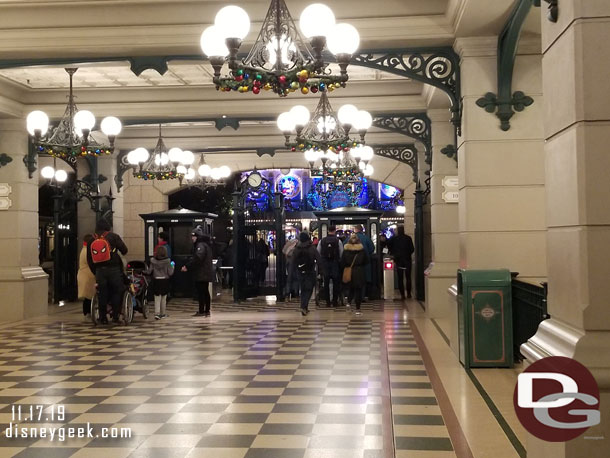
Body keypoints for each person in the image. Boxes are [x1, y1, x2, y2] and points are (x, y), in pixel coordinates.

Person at [87, 219, 128, 324]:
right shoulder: (114, 236)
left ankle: (102, 317)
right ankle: (115, 316)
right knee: (116, 292)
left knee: (102, 294)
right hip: (114, 270)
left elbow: (89, 259)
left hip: (100, 271)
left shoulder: (92, 239)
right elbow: (124, 250)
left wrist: (95, 271)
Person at [182, 226, 214, 317]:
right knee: (205, 291)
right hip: (205, 272)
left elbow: (198, 258)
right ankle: (206, 310)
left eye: (194, 236)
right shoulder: (206, 245)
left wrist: (187, 265)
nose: (192, 238)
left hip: (201, 273)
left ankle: (202, 310)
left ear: (198, 237)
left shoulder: (200, 246)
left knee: (201, 292)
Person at [292, 232, 323, 316]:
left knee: (303, 289)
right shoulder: (312, 248)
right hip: (310, 271)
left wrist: (293, 271)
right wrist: (320, 271)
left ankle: (304, 306)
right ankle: (304, 306)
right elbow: (319, 259)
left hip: (300, 271)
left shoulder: (297, 248)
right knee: (309, 289)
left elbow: (293, 261)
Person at [341, 233, 368, 315]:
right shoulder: (362, 250)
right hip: (359, 271)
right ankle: (358, 308)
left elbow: (342, 262)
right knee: (358, 290)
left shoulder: (346, 250)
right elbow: (366, 261)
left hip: (349, 271)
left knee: (351, 289)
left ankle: (349, 302)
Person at [145, 245, 174, 319]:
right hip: (165, 280)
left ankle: (157, 313)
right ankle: (163, 313)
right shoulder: (168, 261)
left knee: (157, 297)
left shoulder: (153, 261)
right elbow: (170, 273)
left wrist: (143, 271)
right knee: (164, 298)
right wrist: (172, 265)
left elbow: (149, 271)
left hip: (156, 280)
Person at [317, 226, 343, 307]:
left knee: (326, 284)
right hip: (335, 264)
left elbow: (318, 252)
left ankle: (327, 302)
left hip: (325, 264)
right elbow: (341, 252)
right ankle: (335, 301)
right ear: (335, 231)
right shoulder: (338, 241)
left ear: (328, 231)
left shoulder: (322, 241)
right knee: (336, 284)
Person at [348, 224, 375, 299]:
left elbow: (344, 248)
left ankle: (351, 297)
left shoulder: (349, 239)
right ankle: (362, 296)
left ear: (355, 230)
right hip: (364, 264)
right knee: (363, 280)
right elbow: (372, 249)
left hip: (352, 264)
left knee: (352, 280)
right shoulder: (366, 238)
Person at [390, 225, 415, 299]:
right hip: (407, 260)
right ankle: (409, 294)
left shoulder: (395, 239)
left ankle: (402, 294)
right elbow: (412, 249)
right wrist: (407, 254)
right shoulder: (408, 238)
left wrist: (395, 255)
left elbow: (391, 248)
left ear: (398, 231)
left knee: (400, 278)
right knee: (408, 277)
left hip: (399, 260)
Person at [77, 234, 95, 321]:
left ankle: (88, 311)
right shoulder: (87, 251)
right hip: (88, 276)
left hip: (85, 275)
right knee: (89, 296)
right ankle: (87, 312)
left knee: (88, 295)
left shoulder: (84, 250)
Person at [283, 235, 299, 300]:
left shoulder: (289, 242)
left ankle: (287, 293)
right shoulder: (298, 244)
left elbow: (284, 251)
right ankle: (295, 293)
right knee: (296, 278)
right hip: (296, 262)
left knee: (289, 278)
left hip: (289, 261)